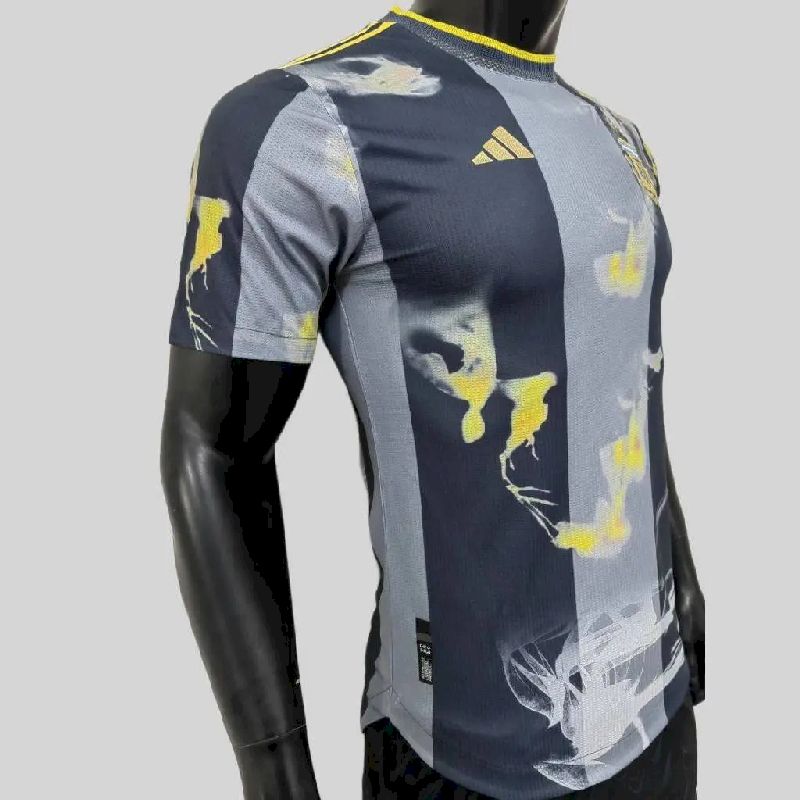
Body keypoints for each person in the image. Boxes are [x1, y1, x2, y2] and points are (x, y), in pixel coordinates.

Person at [161, 3, 705, 797]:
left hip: (659, 713)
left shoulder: (616, 136)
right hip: (457, 747)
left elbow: (625, 368)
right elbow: (210, 450)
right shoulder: (305, 121)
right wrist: (273, 765)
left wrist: (681, 564)